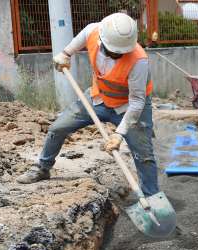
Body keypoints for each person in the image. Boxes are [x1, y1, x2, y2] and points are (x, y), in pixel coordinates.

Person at [16, 13, 159, 197]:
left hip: (129, 108)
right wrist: (66, 53)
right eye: (114, 50)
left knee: (144, 155)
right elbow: (83, 35)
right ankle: (42, 168)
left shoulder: (139, 61)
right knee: (58, 128)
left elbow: (138, 102)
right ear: (103, 39)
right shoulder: (94, 31)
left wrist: (119, 134)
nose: (117, 54)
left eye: (121, 52)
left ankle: (151, 198)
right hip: (97, 98)